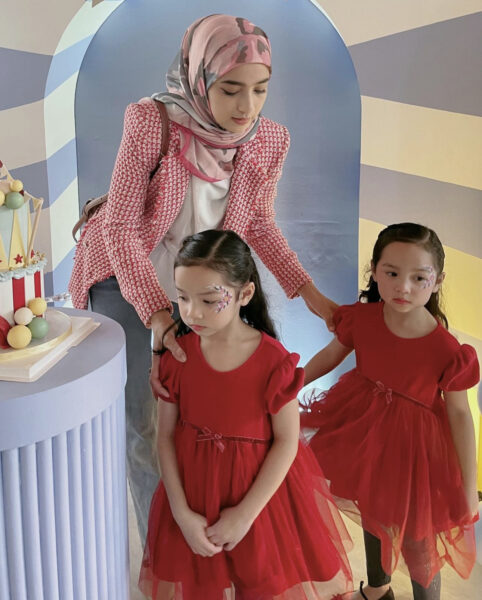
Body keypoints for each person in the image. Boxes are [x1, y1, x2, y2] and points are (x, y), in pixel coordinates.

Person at [68, 14, 337, 544]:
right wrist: (157, 315)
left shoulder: (268, 140)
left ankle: (207, 527)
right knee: (144, 422)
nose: (247, 107)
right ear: (198, 77)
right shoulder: (152, 123)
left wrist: (309, 293)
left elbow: (257, 223)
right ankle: (162, 546)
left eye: (260, 89)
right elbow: (120, 227)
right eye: (231, 89)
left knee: (202, 416)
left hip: (201, 286)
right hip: (127, 275)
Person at [139, 230, 352, 600]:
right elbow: (165, 437)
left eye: (208, 300)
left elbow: (287, 441)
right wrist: (181, 513)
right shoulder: (177, 358)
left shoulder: (274, 362)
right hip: (193, 499)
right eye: (183, 297)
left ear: (245, 294)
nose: (191, 312)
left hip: (261, 504)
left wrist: (244, 514)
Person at [300, 223, 480, 600]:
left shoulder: (447, 350)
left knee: (418, 538)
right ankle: (378, 590)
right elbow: (331, 355)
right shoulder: (362, 319)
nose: (403, 287)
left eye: (419, 278)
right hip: (363, 431)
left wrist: (467, 486)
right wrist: (291, 384)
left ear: (437, 280)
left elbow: (461, 416)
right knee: (372, 509)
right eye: (392, 273)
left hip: (416, 452)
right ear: (375, 271)